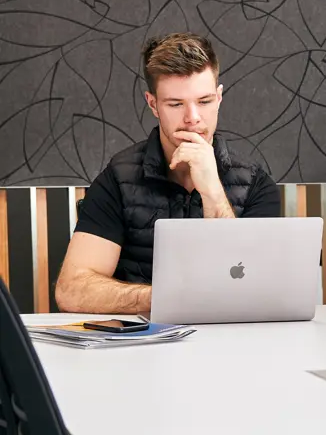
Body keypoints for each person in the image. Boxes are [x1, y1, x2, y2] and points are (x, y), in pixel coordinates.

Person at [55, 33, 281, 315]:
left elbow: (257, 289)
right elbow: (72, 290)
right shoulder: (118, 178)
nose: (193, 117)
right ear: (153, 104)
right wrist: (170, 297)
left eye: (205, 101)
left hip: (230, 344)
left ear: (219, 97)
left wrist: (212, 189)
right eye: (176, 104)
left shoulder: (256, 184)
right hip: (142, 346)